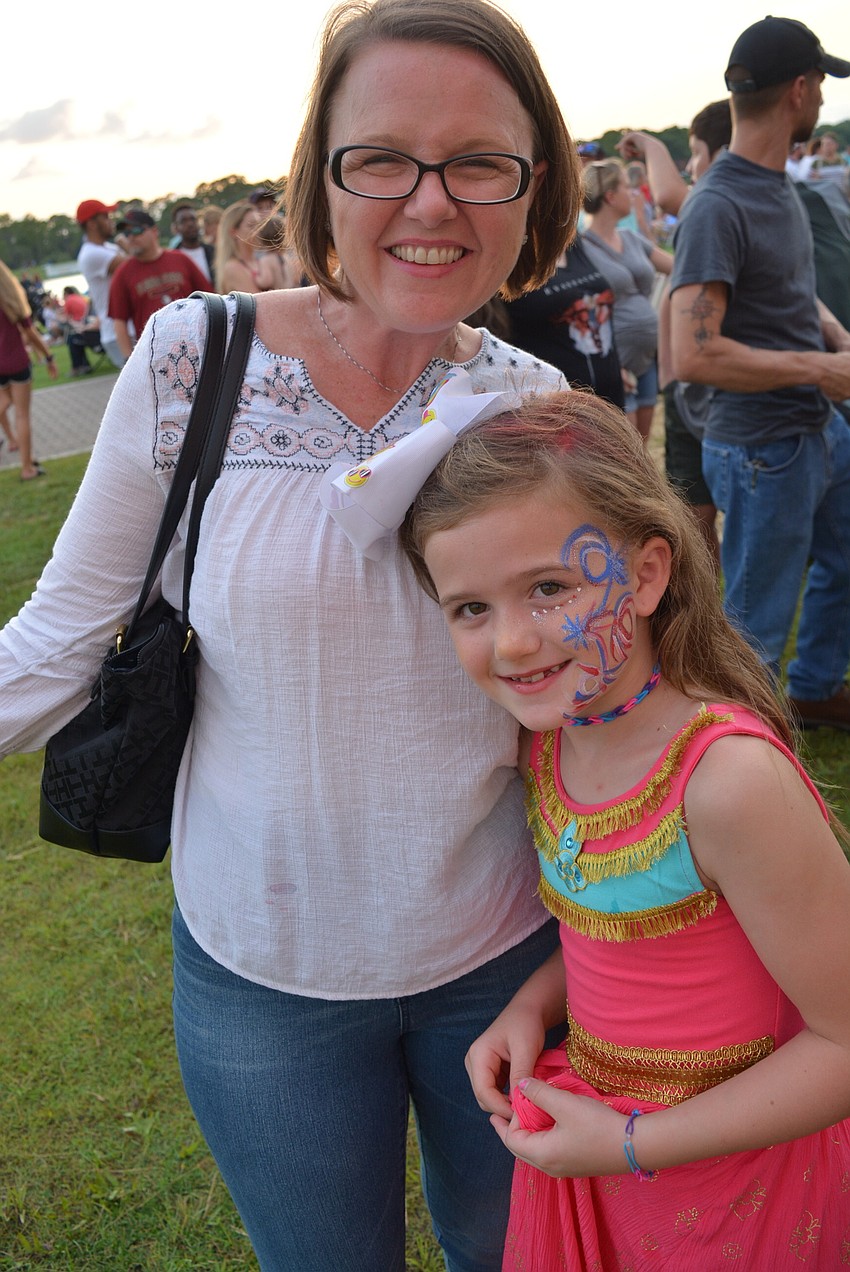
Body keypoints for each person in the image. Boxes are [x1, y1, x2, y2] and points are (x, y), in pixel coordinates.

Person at [0, 0, 580, 1267]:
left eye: (479, 161)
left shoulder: (538, 410)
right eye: (381, 158)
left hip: (506, 956)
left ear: (534, 192)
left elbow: (609, 705)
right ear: (320, 172)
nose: (430, 204)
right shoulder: (190, 358)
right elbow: (54, 645)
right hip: (261, 976)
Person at [398, 388, 850, 1269]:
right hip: (602, 1163)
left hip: (739, 1186)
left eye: (549, 588)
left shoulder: (728, 782)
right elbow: (623, 932)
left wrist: (632, 1144)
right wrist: (531, 1007)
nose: (515, 643)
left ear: (646, 575)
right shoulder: (552, 745)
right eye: (470, 609)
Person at [670, 16, 850, 731]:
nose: (824, 104)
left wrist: (834, 332)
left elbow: (781, 286)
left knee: (843, 563)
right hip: (761, 452)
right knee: (754, 626)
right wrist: (823, 369)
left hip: (817, 429)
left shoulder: (778, 185)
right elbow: (694, 353)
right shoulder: (719, 201)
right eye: (822, 88)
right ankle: (741, 747)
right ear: (800, 92)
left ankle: (810, 692)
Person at [581, 159, 672, 442]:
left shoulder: (631, 238)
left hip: (646, 361)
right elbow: (579, 312)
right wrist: (604, 363)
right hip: (614, 366)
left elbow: (680, 269)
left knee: (642, 452)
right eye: (625, 186)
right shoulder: (579, 248)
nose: (633, 193)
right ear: (609, 196)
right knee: (627, 451)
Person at [504, 239, 625, 408]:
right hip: (555, 406)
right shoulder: (509, 254)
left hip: (611, 395)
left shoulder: (572, 242)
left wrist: (616, 367)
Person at [108, 208, 211, 360]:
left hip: (197, 346)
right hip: (154, 355)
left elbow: (209, 298)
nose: (131, 237)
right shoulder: (123, 273)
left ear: (154, 231)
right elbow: (119, 321)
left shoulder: (181, 259)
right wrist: (128, 359)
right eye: (126, 233)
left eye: (137, 230)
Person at [0, 260, 58, 480]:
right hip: (16, 362)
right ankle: (27, 467)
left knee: (5, 403)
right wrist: (49, 356)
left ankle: (16, 444)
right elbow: (32, 333)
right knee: (22, 415)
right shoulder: (11, 300)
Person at [75, 198, 129, 370]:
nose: (110, 220)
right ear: (91, 224)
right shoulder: (91, 254)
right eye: (105, 217)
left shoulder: (107, 247)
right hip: (117, 331)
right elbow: (134, 268)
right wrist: (128, 245)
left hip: (126, 328)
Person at [213, 200, 263, 293]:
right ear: (233, 232)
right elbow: (259, 304)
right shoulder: (233, 268)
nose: (258, 230)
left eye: (259, 225)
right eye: (251, 225)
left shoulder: (259, 261)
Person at [171, 203, 215, 286]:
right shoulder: (173, 259)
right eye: (183, 221)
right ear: (176, 227)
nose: (190, 224)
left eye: (193, 219)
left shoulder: (214, 252)